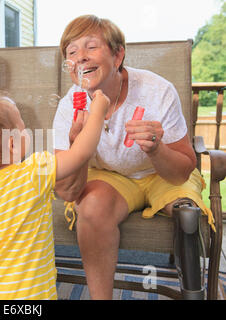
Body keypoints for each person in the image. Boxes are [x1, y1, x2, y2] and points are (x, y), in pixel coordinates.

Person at [53, 15, 214, 299]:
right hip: (111, 178)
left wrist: (157, 149)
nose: (81, 58)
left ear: (117, 55)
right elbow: (66, 191)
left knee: (187, 214)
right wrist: (78, 145)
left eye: (91, 47)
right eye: (72, 51)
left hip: (161, 173)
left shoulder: (156, 91)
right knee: (90, 208)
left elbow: (181, 172)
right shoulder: (70, 107)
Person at [0, 90, 109, 299]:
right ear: (12, 143)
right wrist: (98, 111)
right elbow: (81, 153)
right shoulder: (35, 172)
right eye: (23, 128)